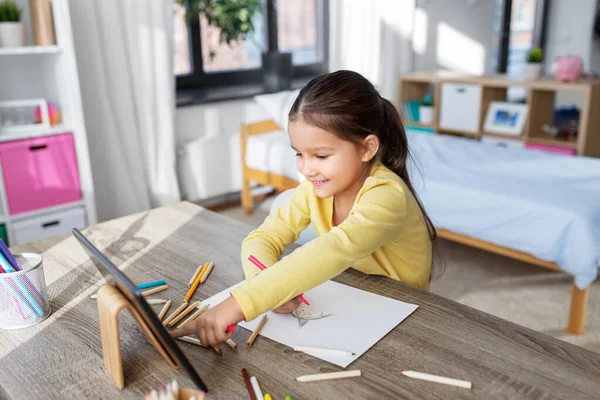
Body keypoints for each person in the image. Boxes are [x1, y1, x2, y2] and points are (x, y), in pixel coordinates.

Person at [172, 70, 437, 347]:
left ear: (367, 148)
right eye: (299, 153)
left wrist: (240, 303)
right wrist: (268, 286)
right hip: (356, 302)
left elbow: (334, 249)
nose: (307, 169)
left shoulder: (387, 195)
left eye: (320, 156)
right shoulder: (315, 190)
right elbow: (261, 238)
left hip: (404, 320)